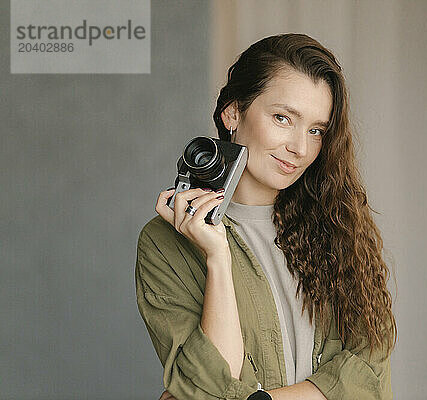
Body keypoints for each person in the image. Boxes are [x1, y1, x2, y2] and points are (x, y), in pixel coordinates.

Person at [135, 33, 397, 400]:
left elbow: (366, 372)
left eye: (316, 130)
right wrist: (218, 258)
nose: (300, 148)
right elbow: (208, 385)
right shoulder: (165, 243)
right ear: (233, 112)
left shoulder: (337, 226)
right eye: (282, 118)